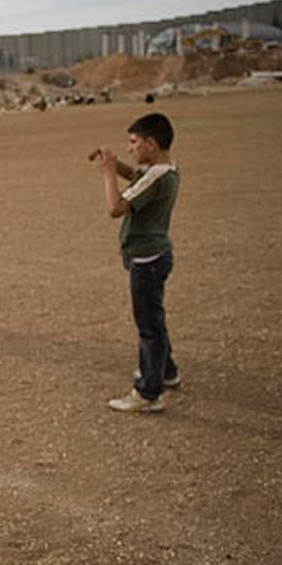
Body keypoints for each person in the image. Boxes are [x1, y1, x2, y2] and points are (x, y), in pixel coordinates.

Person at [90, 112, 181, 413]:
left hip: (147, 259)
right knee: (155, 318)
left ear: (151, 144)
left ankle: (148, 392)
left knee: (148, 326)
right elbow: (138, 180)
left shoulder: (156, 175)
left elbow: (116, 208)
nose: (129, 148)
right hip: (155, 255)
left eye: (133, 142)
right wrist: (115, 165)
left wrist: (106, 174)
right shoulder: (164, 170)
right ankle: (166, 372)